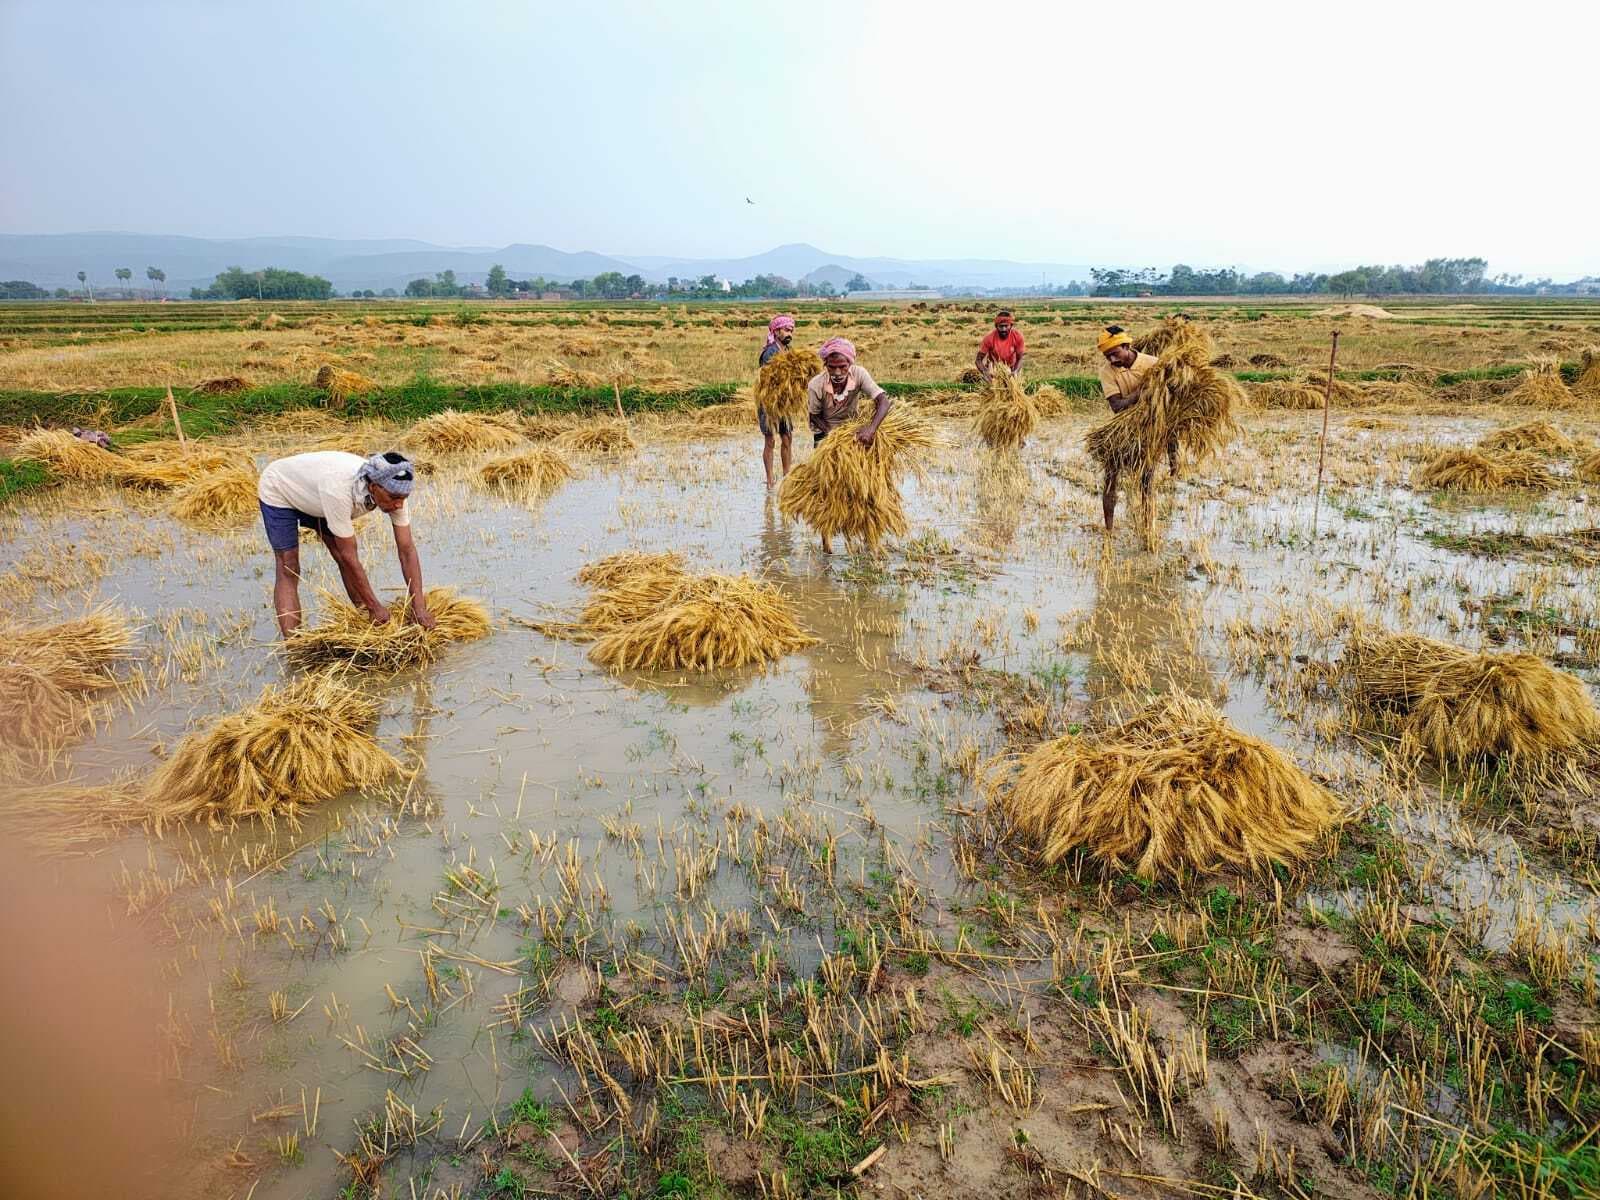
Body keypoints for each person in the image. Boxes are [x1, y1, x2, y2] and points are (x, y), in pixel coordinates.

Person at [256, 449, 434, 637]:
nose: (399, 505)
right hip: (281, 490)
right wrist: (376, 605)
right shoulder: (340, 489)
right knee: (288, 566)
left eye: (403, 499)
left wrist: (419, 607)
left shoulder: (396, 493)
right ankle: (294, 644)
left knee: (340, 555)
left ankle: (365, 617)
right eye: (394, 498)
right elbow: (351, 557)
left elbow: (406, 550)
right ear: (373, 487)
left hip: (319, 495)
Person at [807, 337, 894, 553]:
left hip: (855, 432)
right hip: (826, 433)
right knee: (826, 488)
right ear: (825, 365)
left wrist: (871, 429)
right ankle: (826, 541)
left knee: (866, 486)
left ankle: (869, 536)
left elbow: (883, 401)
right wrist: (831, 434)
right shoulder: (816, 385)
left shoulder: (859, 374)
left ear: (850, 365)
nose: (837, 372)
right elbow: (814, 415)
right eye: (832, 367)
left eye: (842, 367)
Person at [1095, 326, 1177, 531]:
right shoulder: (1106, 372)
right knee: (1110, 478)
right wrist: (1142, 393)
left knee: (1147, 480)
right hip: (1123, 428)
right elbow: (1116, 406)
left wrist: (1173, 452)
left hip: (1150, 429)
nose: (1112, 360)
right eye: (1107, 356)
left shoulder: (1153, 364)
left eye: (1115, 354)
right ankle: (1109, 530)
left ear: (1127, 346)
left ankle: (1148, 527)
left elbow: (1170, 404)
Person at [758, 313, 797, 488]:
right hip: (769, 402)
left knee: (787, 437)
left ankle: (787, 476)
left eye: (791, 330)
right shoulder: (770, 352)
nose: (790, 333)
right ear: (777, 331)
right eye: (786, 330)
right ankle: (770, 480)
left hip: (785, 402)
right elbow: (771, 378)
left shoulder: (788, 351)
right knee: (770, 440)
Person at [975, 310, 1026, 380]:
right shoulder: (989, 338)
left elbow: (1021, 358)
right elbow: (978, 360)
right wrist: (985, 372)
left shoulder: (1017, 336)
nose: (1003, 329)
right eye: (1001, 326)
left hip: (1011, 368)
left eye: (1006, 326)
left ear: (1011, 325)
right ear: (996, 326)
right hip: (993, 370)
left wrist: (1016, 371)